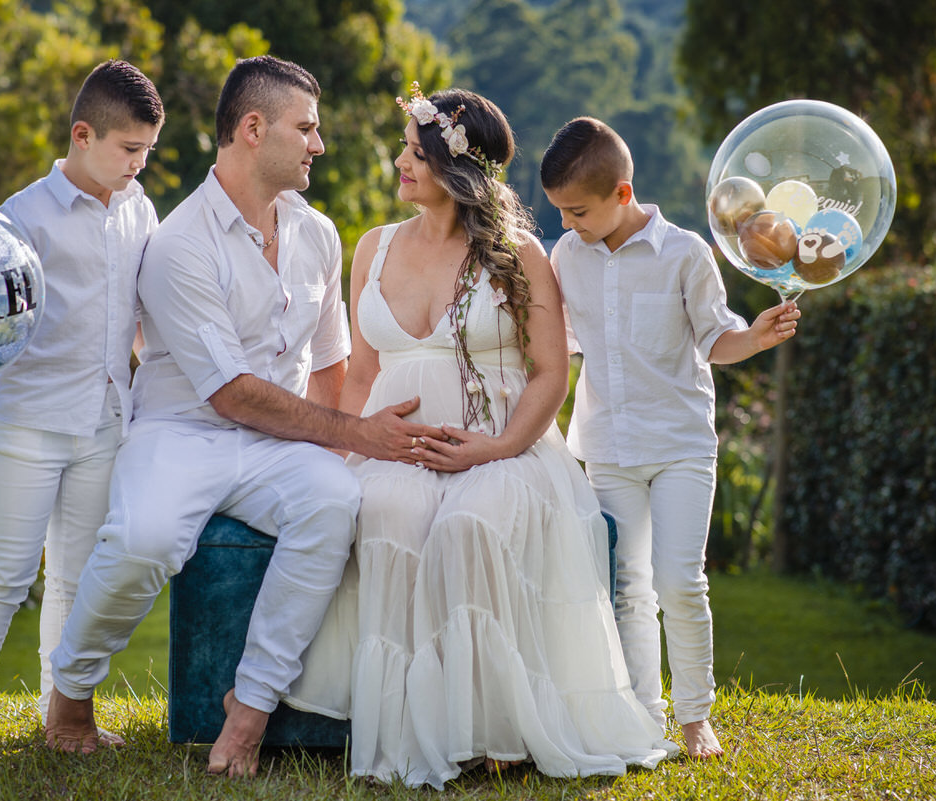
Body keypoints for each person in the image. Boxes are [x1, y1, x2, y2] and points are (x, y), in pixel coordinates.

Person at [43, 55, 444, 778]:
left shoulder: (318, 233)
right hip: (181, 430)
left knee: (333, 500)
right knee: (144, 538)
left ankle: (250, 710)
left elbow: (330, 366)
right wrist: (359, 435)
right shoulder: (179, 244)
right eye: (306, 128)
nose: (318, 144)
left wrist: (343, 454)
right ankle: (70, 695)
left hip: (278, 443)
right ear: (253, 129)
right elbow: (229, 391)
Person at [285, 85, 679, 790]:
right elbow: (360, 372)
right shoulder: (371, 248)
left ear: (459, 169)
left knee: (468, 526)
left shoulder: (518, 254)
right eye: (405, 148)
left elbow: (550, 373)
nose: (400, 163)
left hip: (505, 449)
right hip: (393, 450)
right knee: (390, 518)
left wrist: (495, 449)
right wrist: (346, 453)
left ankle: (493, 731)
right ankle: (406, 733)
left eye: (416, 153)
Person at [0, 60, 165, 764]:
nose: (137, 165)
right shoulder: (21, 216)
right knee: (1, 573)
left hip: (103, 423)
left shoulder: (140, 209)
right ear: (83, 134)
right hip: (26, 421)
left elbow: (144, 318)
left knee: (78, 577)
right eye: (128, 150)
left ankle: (61, 714)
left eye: (147, 152)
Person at [539, 116, 800, 759]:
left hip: (681, 443)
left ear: (622, 194)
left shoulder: (685, 253)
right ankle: (640, 714)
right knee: (629, 585)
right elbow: (557, 350)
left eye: (578, 211)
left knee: (681, 582)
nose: (568, 225)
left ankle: (693, 717)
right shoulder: (565, 254)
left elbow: (717, 340)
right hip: (603, 447)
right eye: (561, 213)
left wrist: (757, 337)